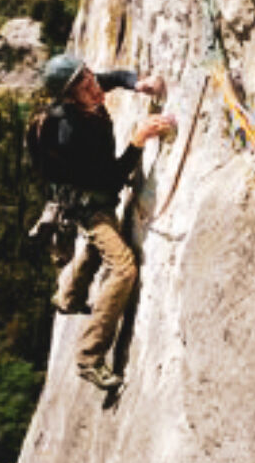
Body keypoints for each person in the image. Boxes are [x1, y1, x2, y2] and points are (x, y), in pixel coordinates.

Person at [30, 53, 175, 390]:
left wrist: (137, 83)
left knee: (99, 246)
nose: (94, 87)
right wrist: (138, 141)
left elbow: (112, 78)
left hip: (95, 197)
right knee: (123, 266)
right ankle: (89, 357)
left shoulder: (87, 90)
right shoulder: (72, 132)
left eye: (90, 77)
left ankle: (69, 298)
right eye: (84, 85)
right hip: (88, 205)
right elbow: (109, 180)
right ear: (69, 97)